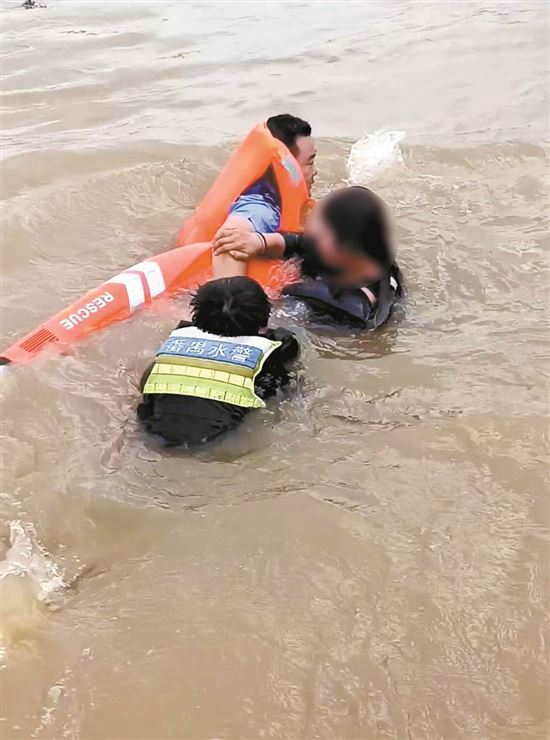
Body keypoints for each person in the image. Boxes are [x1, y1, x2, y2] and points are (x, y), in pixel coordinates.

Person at [137, 277, 299, 447]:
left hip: (153, 432)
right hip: (216, 438)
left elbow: (145, 384)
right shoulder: (276, 346)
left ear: (196, 314)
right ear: (265, 315)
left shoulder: (181, 339)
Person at [213, 186, 403, 329]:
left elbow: (280, 308)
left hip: (340, 335)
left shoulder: (354, 301)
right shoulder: (355, 255)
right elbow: (299, 242)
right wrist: (260, 242)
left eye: (322, 230)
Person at [226, 114, 317, 235]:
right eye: (310, 162)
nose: (315, 171)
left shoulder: (271, 194)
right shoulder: (261, 208)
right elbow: (232, 232)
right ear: (289, 167)